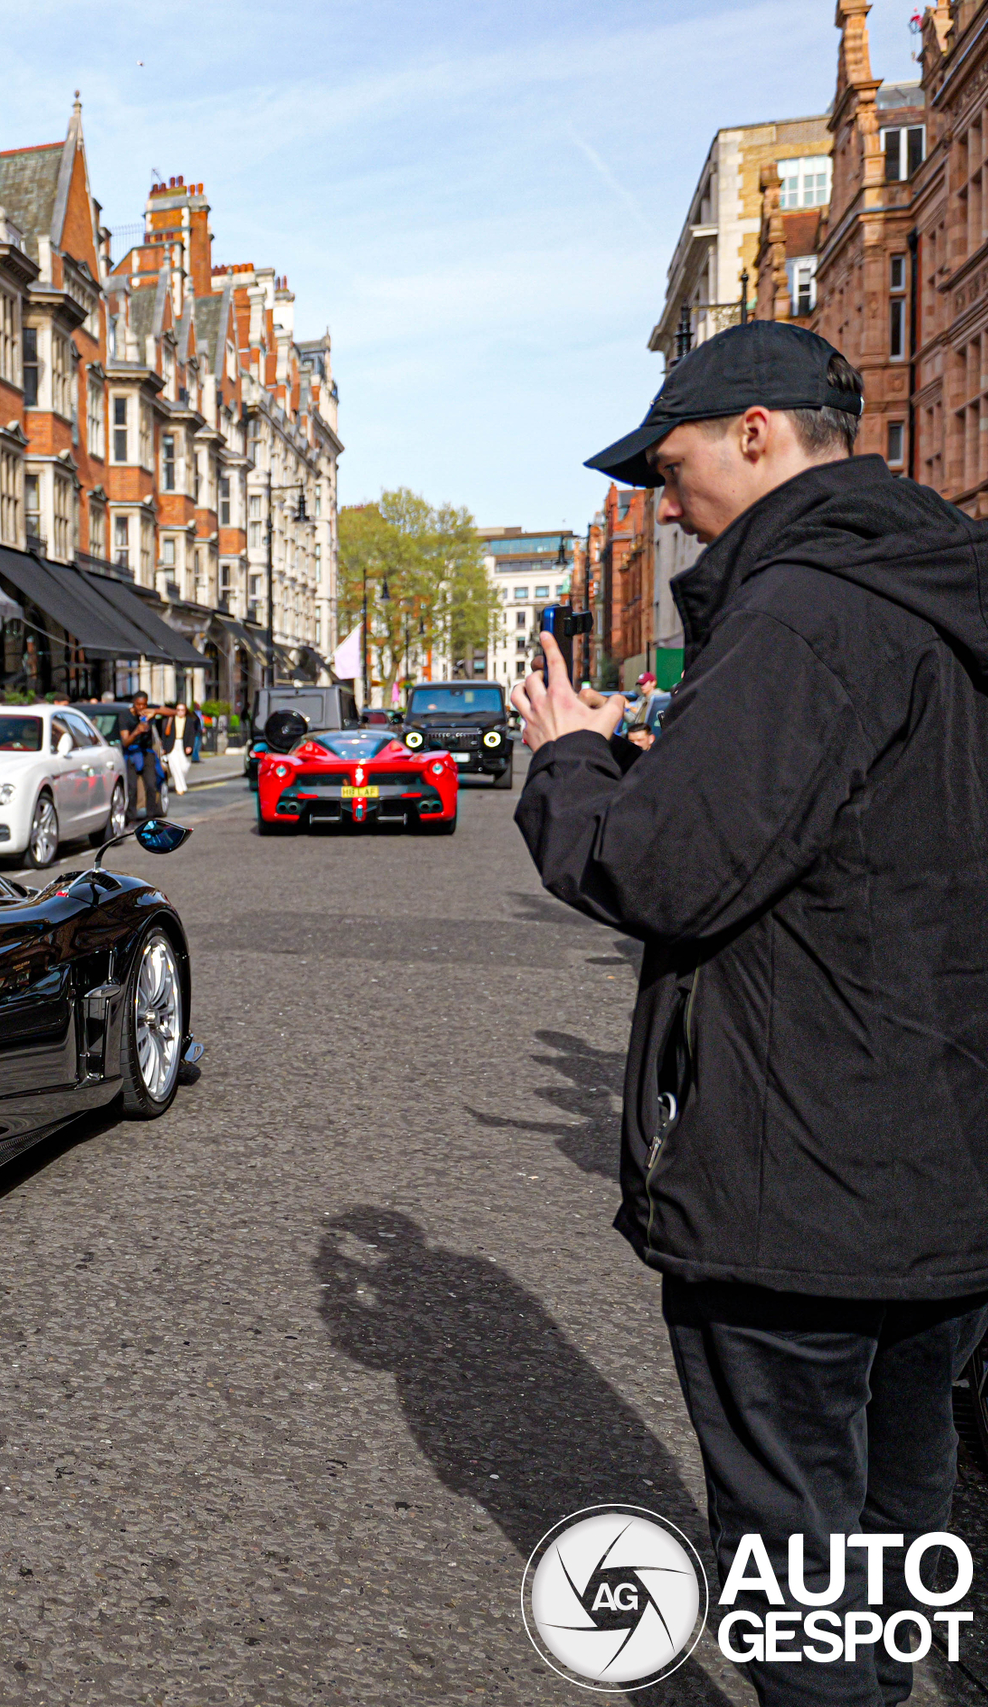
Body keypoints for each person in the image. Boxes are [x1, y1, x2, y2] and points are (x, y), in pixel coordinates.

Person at [516, 320, 988, 1707]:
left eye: (673, 466)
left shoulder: (802, 607)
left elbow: (663, 868)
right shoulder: (934, 593)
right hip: (945, 1171)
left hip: (802, 1189)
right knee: (906, 1539)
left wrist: (572, 762)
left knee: (799, 1581)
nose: (666, 505)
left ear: (761, 433)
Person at [161, 701, 193, 795]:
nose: (180, 712)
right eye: (178, 710)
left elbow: (192, 734)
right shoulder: (170, 719)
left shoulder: (189, 721)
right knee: (175, 766)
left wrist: (190, 746)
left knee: (184, 766)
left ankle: (180, 784)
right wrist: (164, 747)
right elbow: (165, 734)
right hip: (172, 745)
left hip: (183, 744)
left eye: (182, 710)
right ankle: (180, 787)